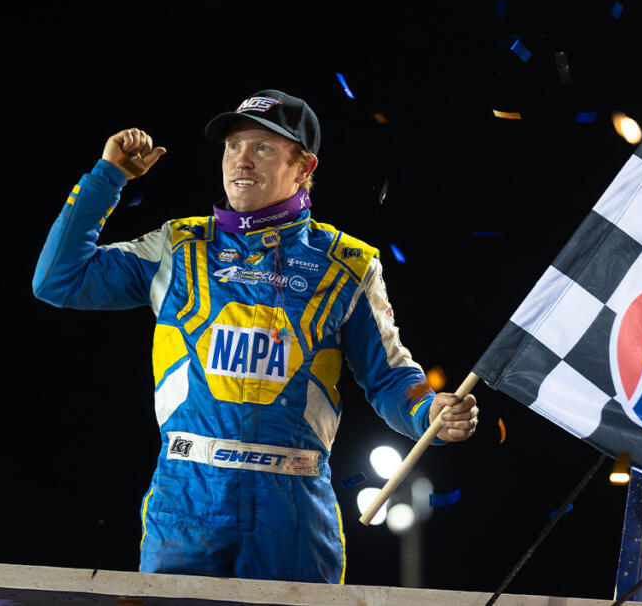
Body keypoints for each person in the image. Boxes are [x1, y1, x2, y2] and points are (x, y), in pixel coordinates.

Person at [32, 89, 479, 584]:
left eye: (263, 148)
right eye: (232, 147)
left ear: (304, 168)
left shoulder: (349, 264)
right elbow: (58, 280)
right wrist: (108, 177)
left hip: (294, 509)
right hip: (188, 495)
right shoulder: (179, 246)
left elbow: (392, 379)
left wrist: (428, 413)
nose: (240, 160)